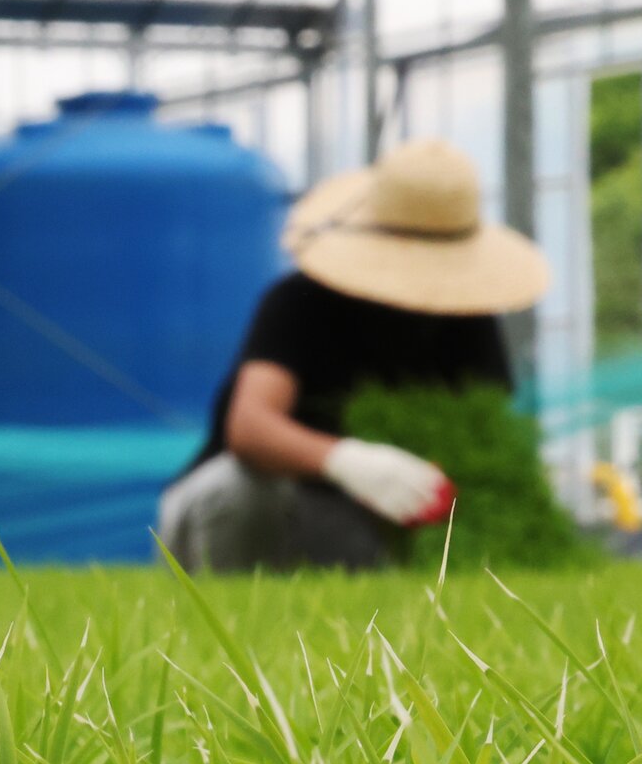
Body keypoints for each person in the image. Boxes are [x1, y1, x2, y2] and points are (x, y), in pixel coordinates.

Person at [158, 138, 550, 573]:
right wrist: (348, 461)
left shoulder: (469, 322)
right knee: (239, 490)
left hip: (353, 521)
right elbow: (250, 427)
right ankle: (215, 617)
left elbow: (484, 441)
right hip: (250, 510)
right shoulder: (299, 303)